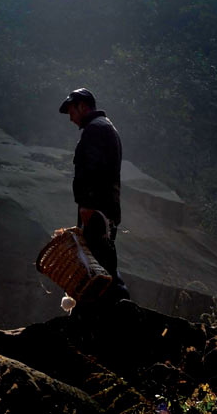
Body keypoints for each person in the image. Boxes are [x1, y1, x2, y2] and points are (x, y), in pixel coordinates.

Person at [59, 87, 128, 299]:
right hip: (103, 209)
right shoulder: (104, 127)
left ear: (83, 106)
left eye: (72, 112)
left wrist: (87, 205)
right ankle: (111, 310)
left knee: (101, 265)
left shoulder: (95, 130)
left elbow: (91, 169)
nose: (71, 118)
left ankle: (123, 308)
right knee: (100, 263)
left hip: (97, 210)